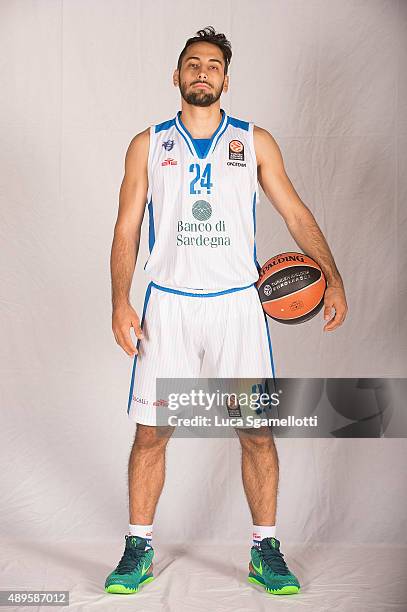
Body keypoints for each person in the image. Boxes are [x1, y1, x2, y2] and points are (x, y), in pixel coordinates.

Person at [105, 26, 348, 596]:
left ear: (226, 80)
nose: (202, 72)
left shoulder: (254, 141)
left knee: (257, 432)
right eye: (193, 63)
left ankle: (266, 550)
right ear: (177, 75)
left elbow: (294, 211)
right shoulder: (148, 143)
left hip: (239, 307)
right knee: (152, 432)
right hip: (168, 305)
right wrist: (119, 299)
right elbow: (125, 227)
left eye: (213, 65)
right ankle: (137, 548)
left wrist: (332, 277)